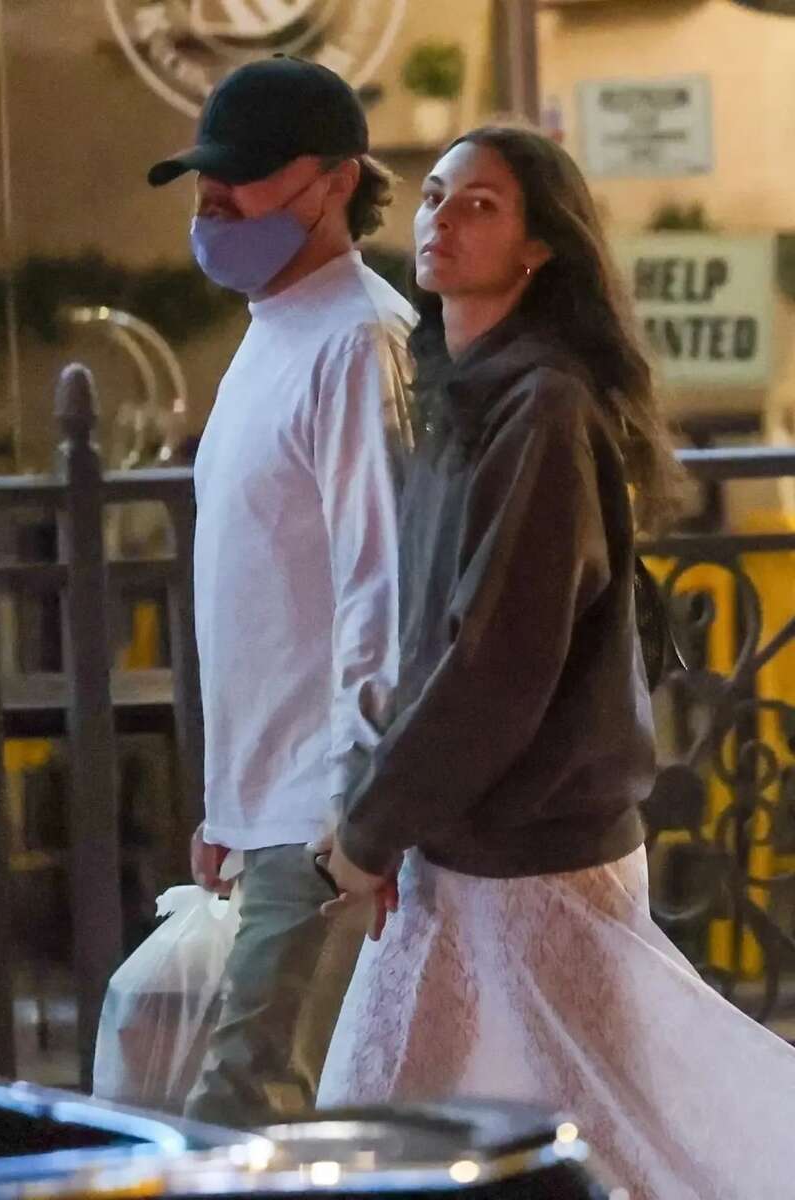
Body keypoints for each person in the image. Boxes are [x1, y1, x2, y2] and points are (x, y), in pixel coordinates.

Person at [315, 125, 795, 1198]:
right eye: (433, 196)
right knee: (434, 1132)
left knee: (590, 1144)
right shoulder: (468, 394)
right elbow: (435, 646)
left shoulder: (541, 407)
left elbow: (497, 663)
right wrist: (381, 814)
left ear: (539, 248)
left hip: (530, 859)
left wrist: (369, 828)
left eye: (479, 204)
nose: (440, 218)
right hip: (466, 848)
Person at [147, 56, 413, 1128]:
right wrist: (227, 804)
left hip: (320, 816)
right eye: (205, 175)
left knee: (245, 1113)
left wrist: (355, 811)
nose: (214, 198)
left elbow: (379, 588)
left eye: (244, 174)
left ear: (335, 181)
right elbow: (261, 599)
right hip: (275, 813)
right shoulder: (275, 330)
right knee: (274, 1114)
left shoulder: (357, 339)